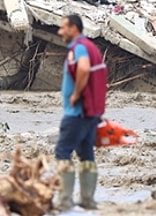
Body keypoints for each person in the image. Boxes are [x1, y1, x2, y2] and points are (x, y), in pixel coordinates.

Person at [55, 14, 107, 211]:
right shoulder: (92, 47)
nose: (60, 32)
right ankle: (87, 200)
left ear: (74, 28)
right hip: (91, 112)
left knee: (62, 151)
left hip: (78, 112)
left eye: (63, 27)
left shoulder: (79, 48)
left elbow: (83, 69)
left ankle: (65, 200)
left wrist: (76, 94)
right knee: (86, 154)